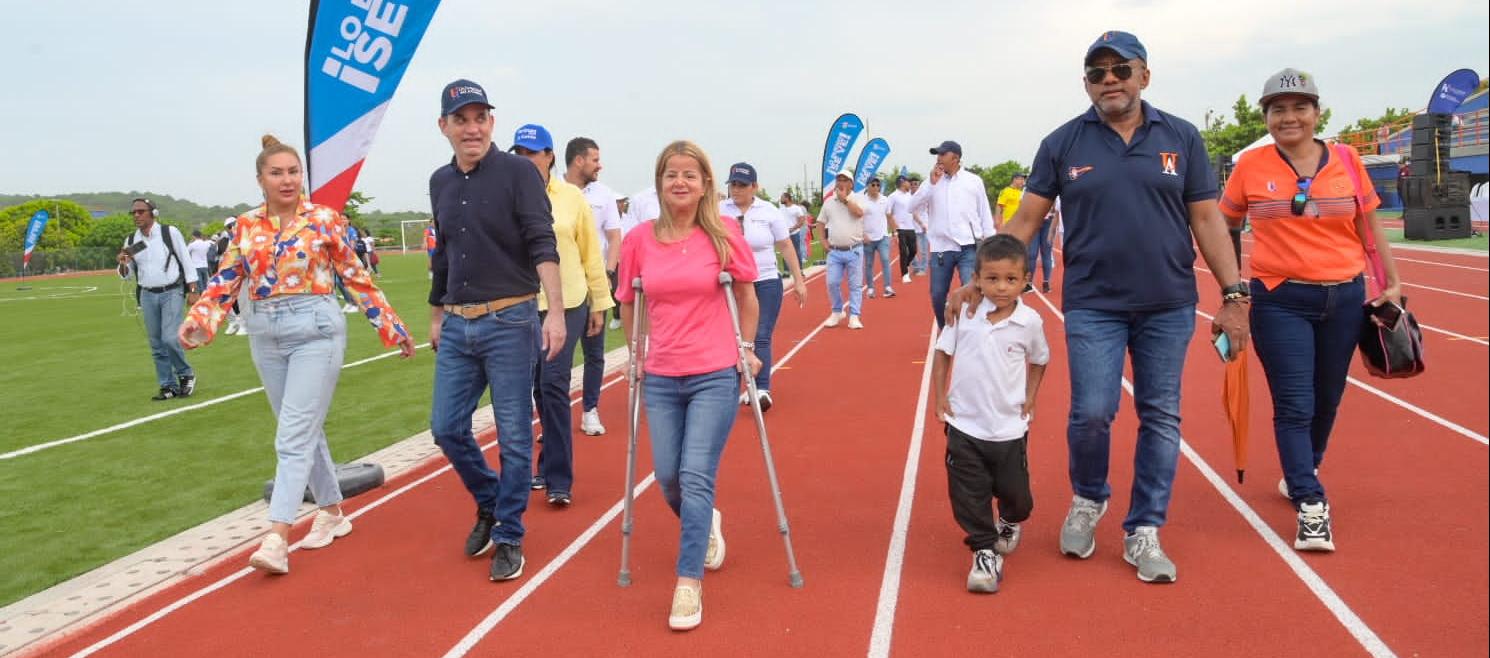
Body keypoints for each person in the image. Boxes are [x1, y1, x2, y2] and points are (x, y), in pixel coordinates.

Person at [955, 30, 1250, 584]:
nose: (1110, 80)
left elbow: (1209, 220)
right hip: (1093, 303)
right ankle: (1088, 499)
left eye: (1121, 69)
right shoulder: (1062, 143)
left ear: (1144, 75)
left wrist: (1234, 295)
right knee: (1092, 412)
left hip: (1168, 303)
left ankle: (1144, 529)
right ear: (1087, 83)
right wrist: (980, 275)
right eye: (1098, 73)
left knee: (1161, 415)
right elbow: (1027, 220)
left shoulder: (1182, 137)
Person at [177, 134, 416, 574]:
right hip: (264, 333)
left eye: (293, 172)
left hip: (316, 331)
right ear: (260, 179)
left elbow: (356, 278)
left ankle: (277, 536)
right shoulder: (246, 227)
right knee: (303, 428)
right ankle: (332, 512)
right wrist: (201, 320)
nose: (287, 180)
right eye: (276, 173)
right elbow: (226, 278)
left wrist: (391, 327)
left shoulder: (326, 220)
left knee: (292, 435)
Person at [1219, 68, 1402, 553]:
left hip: (1343, 297)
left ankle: (1303, 467)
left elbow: (1369, 225)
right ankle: (1311, 502)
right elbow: (1224, 226)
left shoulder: (1347, 159)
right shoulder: (1250, 167)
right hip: (1281, 299)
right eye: (1278, 109)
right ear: (1267, 117)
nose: (1289, 116)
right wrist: (1233, 286)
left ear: (1317, 112)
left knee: (1328, 398)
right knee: (1295, 404)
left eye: (1299, 107)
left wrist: (1391, 281)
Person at [615, 140, 760, 631]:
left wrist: (750, 348)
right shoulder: (637, 239)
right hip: (660, 374)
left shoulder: (724, 234)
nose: (680, 182)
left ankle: (687, 582)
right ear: (659, 182)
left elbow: (746, 292)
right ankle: (707, 521)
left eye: (689, 175)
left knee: (695, 475)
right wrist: (635, 355)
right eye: (671, 174)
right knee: (669, 478)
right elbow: (628, 302)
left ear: (704, 185)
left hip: (714, 372)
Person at [426, 80, 566, 582]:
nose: (472, 127)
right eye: (460, 119)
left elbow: (542, 242)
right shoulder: (439, 182)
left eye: (480, 117)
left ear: (492, 122)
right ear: (444, 127)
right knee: (445, 427)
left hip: (511, 320)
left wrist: (553, 312)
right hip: (459, 325)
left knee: (512, 435)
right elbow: (443, 252)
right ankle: (490, 500)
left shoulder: (518, 174)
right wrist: (437, 312)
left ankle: (509, 533)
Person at [932, 235, 1049, 593]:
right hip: (964, 423)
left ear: (1025, 279)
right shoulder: (963, 313)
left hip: (1009, 427)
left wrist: (1030, 398)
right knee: (969, 493)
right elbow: (943, 353)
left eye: (1011, 279)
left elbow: (1040, 360)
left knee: (1016, 495)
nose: (1001, 287)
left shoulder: (1030, 321)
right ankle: (984, 550)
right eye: (992, 278)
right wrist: (940, 397)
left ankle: (1011, 520)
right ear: (977, 279)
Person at [512, 124, 614, 506]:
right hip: (522, 303)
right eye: (519, 153)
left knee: (554, 384)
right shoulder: (508, 194)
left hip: (569, 301)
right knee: (534, 386)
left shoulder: (571, 198)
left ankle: (558, 477)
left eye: (533, 153)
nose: (526, 160)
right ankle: (538, 463)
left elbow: (591, 252)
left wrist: (600, 304)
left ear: (550, 155)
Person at [720, 162, 807, 411]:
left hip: (765, 280)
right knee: (732, 335)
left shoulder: (769, 211)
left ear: (754, 187)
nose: (736, 190)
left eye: (742, 185)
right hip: (732, 283)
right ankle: (731, 386)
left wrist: (799, 280)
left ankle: (761, 388)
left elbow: (786, 246)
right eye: (733, 185)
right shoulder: (718, 211)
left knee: (760, 335)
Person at [564, 136, 623, 437]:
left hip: (594, 283)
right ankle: (554, 417)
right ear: (578, 161)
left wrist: (609, 273)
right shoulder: (552, 191)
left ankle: (590, 410)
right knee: (554, 356)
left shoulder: (605, 195)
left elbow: (614, 237)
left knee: (594, 352)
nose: (600, 165)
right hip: (560, 286)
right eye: (595, 159)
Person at [116, 198, 197, 400]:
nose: (136, 215)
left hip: (172, 291)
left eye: (141, 211)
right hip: (147, 294)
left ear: (153, 213)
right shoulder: (132, 241)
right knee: (156, 343)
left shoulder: (169, 233)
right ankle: (167, 385)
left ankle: (185, 374)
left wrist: (193, 288)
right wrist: (124, 263)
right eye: (133, 212)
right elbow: (127, 274)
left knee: (170, 338)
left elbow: (186, 260)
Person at [911, 140, 995, 329]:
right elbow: (912, 206)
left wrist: (990, 240)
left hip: (969, 248)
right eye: (937, 155)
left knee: (972, 290)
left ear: (955, 158)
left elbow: (984, 212)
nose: (938, 158)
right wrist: (931, 185)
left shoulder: (974, 181)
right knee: (938, 295)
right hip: (942, 248)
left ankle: (971, 330)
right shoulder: (931, 182)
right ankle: (945, 327)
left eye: (942, 154)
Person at [819, 169, 868, 329]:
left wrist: (845, 200)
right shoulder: (829, 202)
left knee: (855, 285)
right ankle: (837, 311)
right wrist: (823, 240)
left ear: (851, 184)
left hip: (854, 249)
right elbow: (820, 222)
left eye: (845, 180)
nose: (841, 182)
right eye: (839, 179)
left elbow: (859, 213)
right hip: (834, 251)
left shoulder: (858, 199)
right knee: (832, 283)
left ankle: (854, 315)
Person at [860, 178, 897, 299]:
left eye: (878, 185)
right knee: (869, 264)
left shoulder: (884, 200)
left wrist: (895, 232)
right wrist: (862, 234)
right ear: (867, 186)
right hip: (868, 238)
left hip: (882, 236)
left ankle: (888, 287)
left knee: (886, 260)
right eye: (873, 185)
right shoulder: (862, 200)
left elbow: (889, 216)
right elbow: (857, 219)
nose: (876, 187)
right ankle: (870, 288)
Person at [888, 175, 921, 284]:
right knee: (903, 252)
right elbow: (888, 213)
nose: (910, 184)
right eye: (908, 182)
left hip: (910, 228)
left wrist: (921, 223)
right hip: (900, 228)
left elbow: (913, 212)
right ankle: (905, 274)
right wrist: (894, 230)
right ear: (902, 183)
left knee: (913, 250)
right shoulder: (893, 196)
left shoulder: (909, 196)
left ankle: (905, 264)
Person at [1029, 197, 1060, 293]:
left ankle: (1046, 282)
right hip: (1034, 221)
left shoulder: (1053, 187)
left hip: (1048, 222)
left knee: (1046, 252)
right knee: (1032, 254)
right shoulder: (1029, 188)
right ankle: (1029, 283)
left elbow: (1056, 209)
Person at [779, 192, 810, 269]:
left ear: (787, 198)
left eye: (782, 197)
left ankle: (800, 269)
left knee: (796, 251)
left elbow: (802, 220)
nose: (781, 199)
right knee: (785, 251)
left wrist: (793, 228)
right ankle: (787, 270)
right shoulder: (781, 209)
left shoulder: (796, 208)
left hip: (794, 233)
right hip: (784, 234)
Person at [909, 177, 930, 274]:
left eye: (916, 184)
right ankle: (917, 266)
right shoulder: (908, 197)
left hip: (923, 227)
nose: (914, 186)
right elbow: (911, 213)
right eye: (912, 184)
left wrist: (924, 224)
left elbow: (930, 209)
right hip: (910, 227)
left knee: (923, 250)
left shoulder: (924, 197)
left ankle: (923, 268)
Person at [186, 229, 212, 295]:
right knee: (205, 282)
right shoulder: (206, 244)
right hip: (205, 265)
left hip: (196, 266)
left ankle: (201, 297)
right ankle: (206, 296)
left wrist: (190, 243)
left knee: (199, 283)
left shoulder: (192, 244)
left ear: (194, 236)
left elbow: (186, 252)